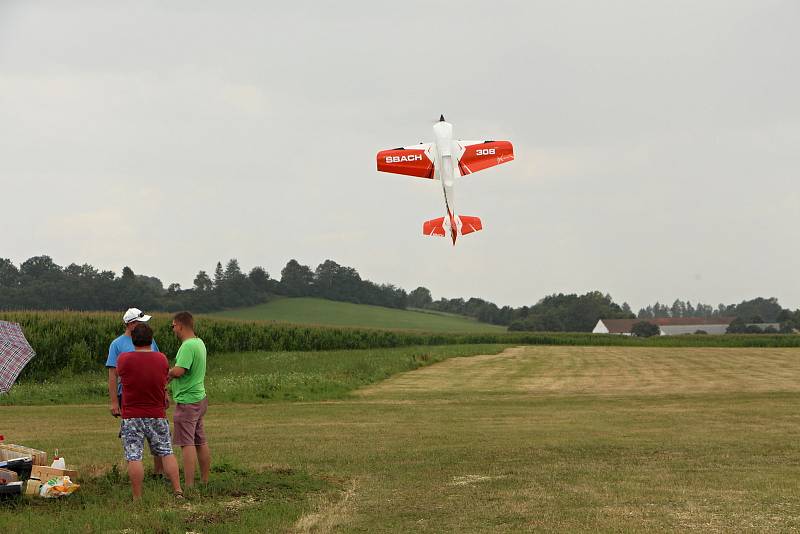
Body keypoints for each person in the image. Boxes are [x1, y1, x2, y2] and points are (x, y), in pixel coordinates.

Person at [116, 323, 183, 500]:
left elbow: (119, 374)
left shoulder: (124, 359)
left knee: (134, 456)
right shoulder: (161, 359)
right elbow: (163, 381)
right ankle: (177, 491)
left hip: (132, 415)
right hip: (157, 413)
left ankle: (137, 497)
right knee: (166, 452)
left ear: (133, 339)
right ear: (151, 339)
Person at [106, 307, 165, 476]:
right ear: (131, 324)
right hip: (128, 395)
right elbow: (112, 375)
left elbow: (157, 367)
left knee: (157, 434)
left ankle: (159, 472)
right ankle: (133, 472)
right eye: (141, 322)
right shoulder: (117, 344)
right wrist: (114, 402)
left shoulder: (150, 341)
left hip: (152, 393)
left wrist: (164, 392)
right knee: (132, 435)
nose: (144, 325)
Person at [169, 311, 210, 488]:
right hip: (199, 398)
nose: (173, 330)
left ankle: (189, 484)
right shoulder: (199, 343)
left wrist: (166, 373)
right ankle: (205, 480)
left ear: (180, 325)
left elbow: (179, 371)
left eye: (173, 326)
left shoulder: (187, 346)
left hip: (187, 401)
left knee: (187, 443)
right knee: (200, 440)